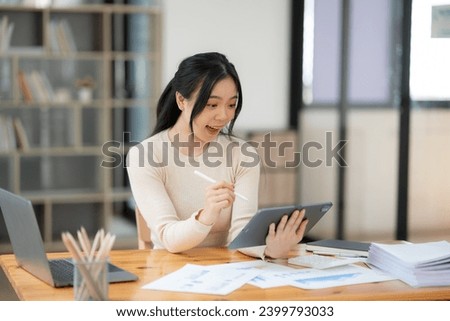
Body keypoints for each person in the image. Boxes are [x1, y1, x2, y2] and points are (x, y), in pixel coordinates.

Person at [126, 52, 308, 259]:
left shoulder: (242, 154)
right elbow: (169, 238)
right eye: (212, 104)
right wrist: (207, 215)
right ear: (181, 100)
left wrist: (270, 249)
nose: (224, 116)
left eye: (231, 104)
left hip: (225, 269)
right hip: (169, 269)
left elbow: (241, 233)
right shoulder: (144, 156)